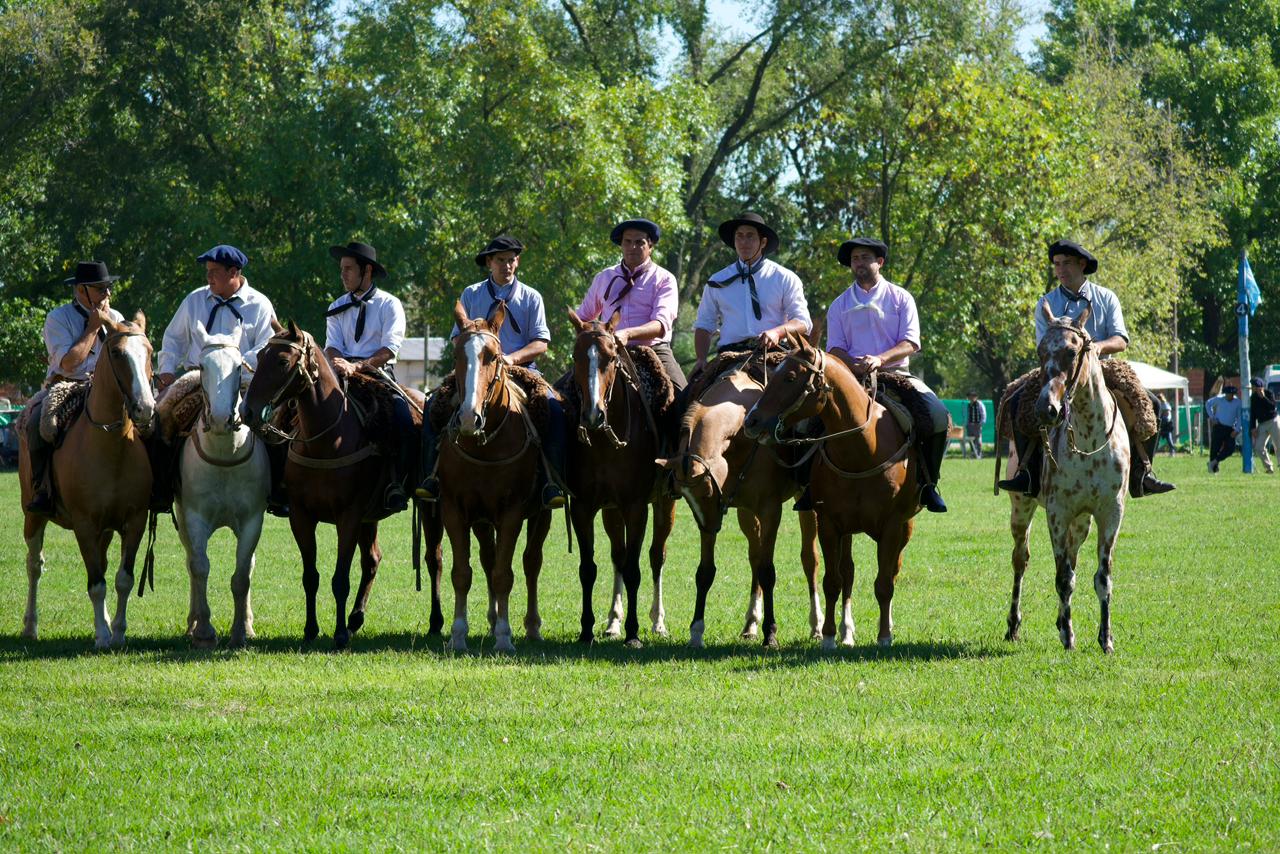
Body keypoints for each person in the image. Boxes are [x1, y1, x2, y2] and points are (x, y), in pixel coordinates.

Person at [998, 240, 1175, 498]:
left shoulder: (1106, 297)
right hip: (1058, 371)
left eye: (1066, 263)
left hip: (1101, 370)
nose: (1061, 269)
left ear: (1082, 264)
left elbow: (1121, 339)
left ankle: (1142, 473)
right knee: (1019, 403)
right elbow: (1043, 345)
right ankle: (1027, 473)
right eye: (1057, 264)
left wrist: (1095, 348)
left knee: (1151, 404)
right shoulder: (1045, 302)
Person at [414, 235, 567, 509]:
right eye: (500, 260)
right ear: (489, 263)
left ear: (517, 262)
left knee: (554, 410)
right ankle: (431, 476)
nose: (507, 265)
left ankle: (550, 481)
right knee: (433, 404)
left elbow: (541, 343)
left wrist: (510, 359)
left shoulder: (531, 297)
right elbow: (456, 337)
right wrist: (471, 353)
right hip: (475, 368)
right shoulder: (471, 294)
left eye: (511, 260)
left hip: (521, 369)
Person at [824, 237, 950, 513]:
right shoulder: (839, 305)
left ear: (879, 262)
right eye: (854, 259)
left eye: (865, 257)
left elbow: (911, 342)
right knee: (808, 420)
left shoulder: (901, 298)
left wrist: (879, 359)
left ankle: (929, 485)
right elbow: (834, 348)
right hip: (850, 377)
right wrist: (853, 364)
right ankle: (810, 486)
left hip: (896, 374)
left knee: (938, 416)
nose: (858, 263)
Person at [156, 244, 282, 513]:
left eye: (214, 271)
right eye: (208, 271)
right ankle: (161, 488)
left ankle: (278, 491)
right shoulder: (194, 300)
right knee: (163, 418)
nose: (208, 277)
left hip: (246, 381)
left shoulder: (260, 304)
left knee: (274, 425)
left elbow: (267, 346)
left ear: (234, 272)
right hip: (197, 380)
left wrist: (233, 365)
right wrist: (166, 371)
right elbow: (173, 339)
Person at [23, 261, 126, 516]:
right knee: (37, 423)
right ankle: (42, 489)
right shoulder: (57, 318)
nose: (107, 294)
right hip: (67, 385)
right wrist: (93, 327)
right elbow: (69, 363)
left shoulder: (116, 317)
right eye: (100, 288)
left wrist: (110, 324)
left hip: (109, 388)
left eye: (108, 287)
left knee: (148, 418)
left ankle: (153, 485)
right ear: (81, 290)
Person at [323, 240, 413, 511]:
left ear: (367, 271)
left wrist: (358, 366)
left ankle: (398, 484)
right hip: (340, 373)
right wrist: (339, 363)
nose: (343, 274)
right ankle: (285, 485)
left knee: (403, 419)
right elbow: (331, 345)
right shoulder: (336, 306)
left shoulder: (390, 304)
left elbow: (389, 349)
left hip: (378, 375)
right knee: (297, 411)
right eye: (342, 269)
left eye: (348, 268)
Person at [692, 212, 811, 373]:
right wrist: (701, 359)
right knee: (687, 388)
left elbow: (802, 322)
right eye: (739, 236)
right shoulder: (717, 281)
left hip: (774, 355)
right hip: (729, 357)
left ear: (763, 242)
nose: (744, 242)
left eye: (750, 236)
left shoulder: (785, 278)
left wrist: (777, 333)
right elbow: (704, 324)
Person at [577, 218, 685, 390]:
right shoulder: (604, 277)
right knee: (564, 392)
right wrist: (596, 339)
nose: (632, 247)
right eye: (627, 241)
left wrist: (628, 334)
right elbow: (583, 317)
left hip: (654, 350)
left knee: (681, 394)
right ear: (621, 245)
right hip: (609, 351)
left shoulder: (665, 279)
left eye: (639, 242)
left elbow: (661, 324)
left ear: (650, 246)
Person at [1204, 384, 1241, 473]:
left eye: (1231, 394)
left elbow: (1240, 417)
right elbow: (1208, 403)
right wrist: (1212, 417)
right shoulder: (1219, 399)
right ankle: (1213, 470)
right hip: (1219, 426)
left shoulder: (1238, 402)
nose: (1230, 396)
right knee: (1215, 448)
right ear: (1225, 394)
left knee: (1230, 449)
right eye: (1228, 394)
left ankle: (1214, 462)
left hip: (1230, 428)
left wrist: (1237, 429)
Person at [1249, 377, 1279, 474]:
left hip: (1273, 421)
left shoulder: (1269, 393)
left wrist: (1263, 398)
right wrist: (1253, 428)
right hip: (1262, 424)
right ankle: (1269, 468)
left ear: (1260, 387)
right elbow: (1252, 414)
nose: (1253, 388)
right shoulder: (1253, 398)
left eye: (1254, 386)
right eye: (1253, 386)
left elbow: (1273, 407)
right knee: (1258, 447)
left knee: (1278, 444)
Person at [965, 390, 987, 459]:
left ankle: (979, 454)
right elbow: (968, 415)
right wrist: (967, 424)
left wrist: (981, 423)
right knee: (971, 440)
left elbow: (983, 413)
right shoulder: (969, 405)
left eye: (972, 396)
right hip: (970, 425)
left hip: (977, 425)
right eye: (969, 397)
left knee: (978, 440)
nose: (971, 398)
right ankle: (973, 453)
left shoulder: (979, 404)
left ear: (976, 397)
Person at [1156, 392, 1176, 456]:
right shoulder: (1162, 404)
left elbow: (1166, 414)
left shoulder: (1165, 404)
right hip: (1162, 422)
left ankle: (1172, 451)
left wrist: (1162, 418)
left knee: (1169, 439)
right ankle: (1154, 452)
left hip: (1166, 423)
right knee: (1157, 439)